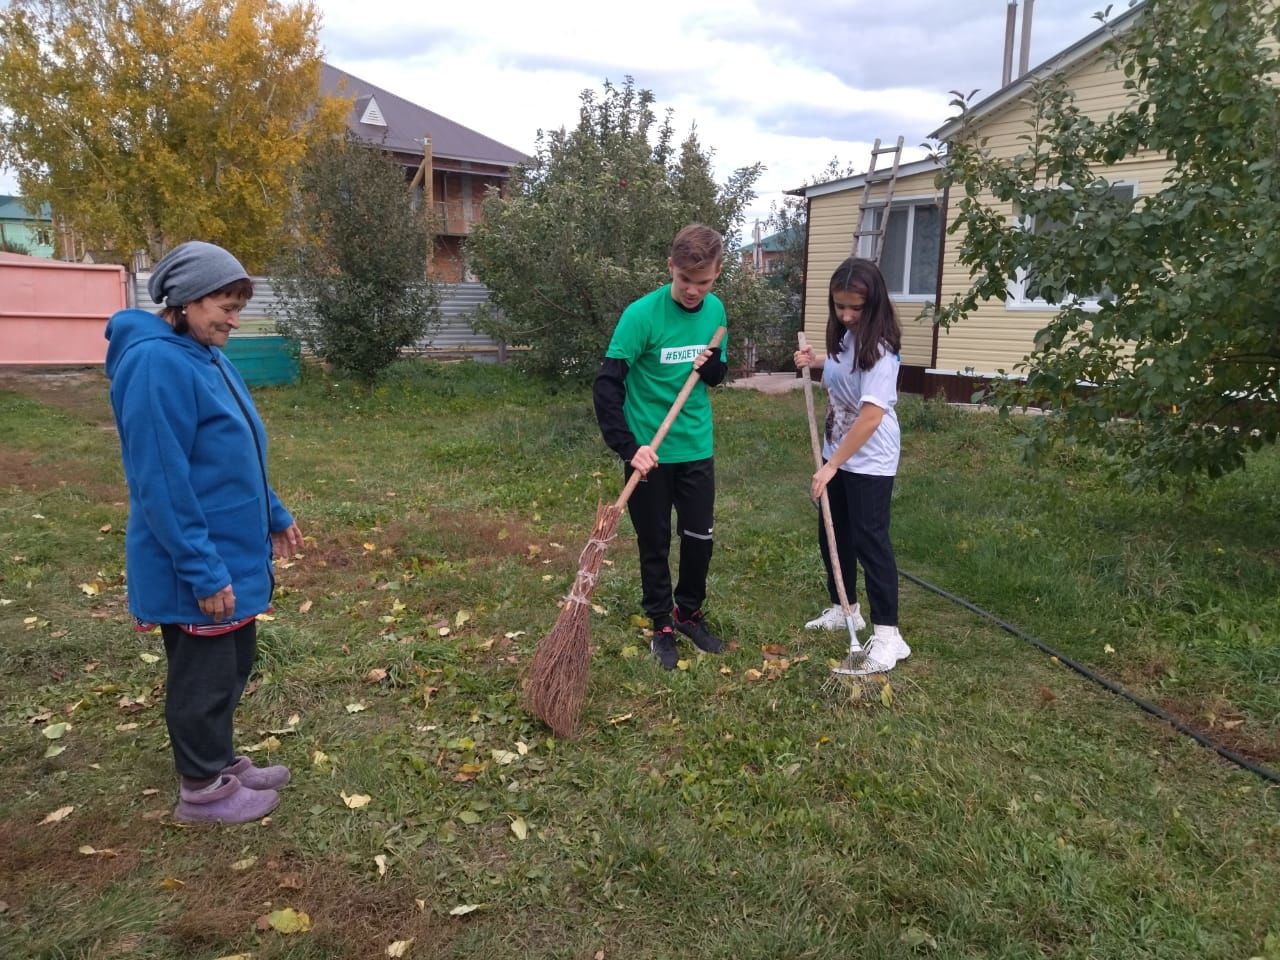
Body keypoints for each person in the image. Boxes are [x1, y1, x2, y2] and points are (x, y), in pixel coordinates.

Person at [104, 241, 304, 823]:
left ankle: (218, 760)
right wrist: (201, 568)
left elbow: (234, 451)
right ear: (186, 300)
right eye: (226, 304)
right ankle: (202, 790)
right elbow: (161, 480)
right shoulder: (155, 363)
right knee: (203, 675)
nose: (234, 320)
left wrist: (272, 511)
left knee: (233, 660)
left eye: (240, 305)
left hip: (228, 547)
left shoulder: (203, 353)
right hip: (193, 558)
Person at [593, 224, 729, 670]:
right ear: (670, 267)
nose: (694, 291)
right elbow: (607, 387)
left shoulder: (715, 313)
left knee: (699, 539)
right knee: (654, 541)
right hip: (648, 454)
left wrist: (709, 368)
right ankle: (661, 623)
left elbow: (717, 374)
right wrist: (628, 447)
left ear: (716, 274)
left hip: (695, 446)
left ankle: (688, 613)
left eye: (703, 282)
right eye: (685, 280)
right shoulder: (641, 316)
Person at [793, 256, 909, 674]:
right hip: (837, 452)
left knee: (869, 541)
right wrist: (816, 361)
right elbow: (844, 368)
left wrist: (831, 466)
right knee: (833, 533)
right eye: (839, 306)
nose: (845, 315)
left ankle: (889, 637)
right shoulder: (846, 336)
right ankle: (847, 610)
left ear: (873, 303)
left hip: (869, 459)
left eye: (855, 308)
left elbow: (871, 416)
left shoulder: (881, 349)